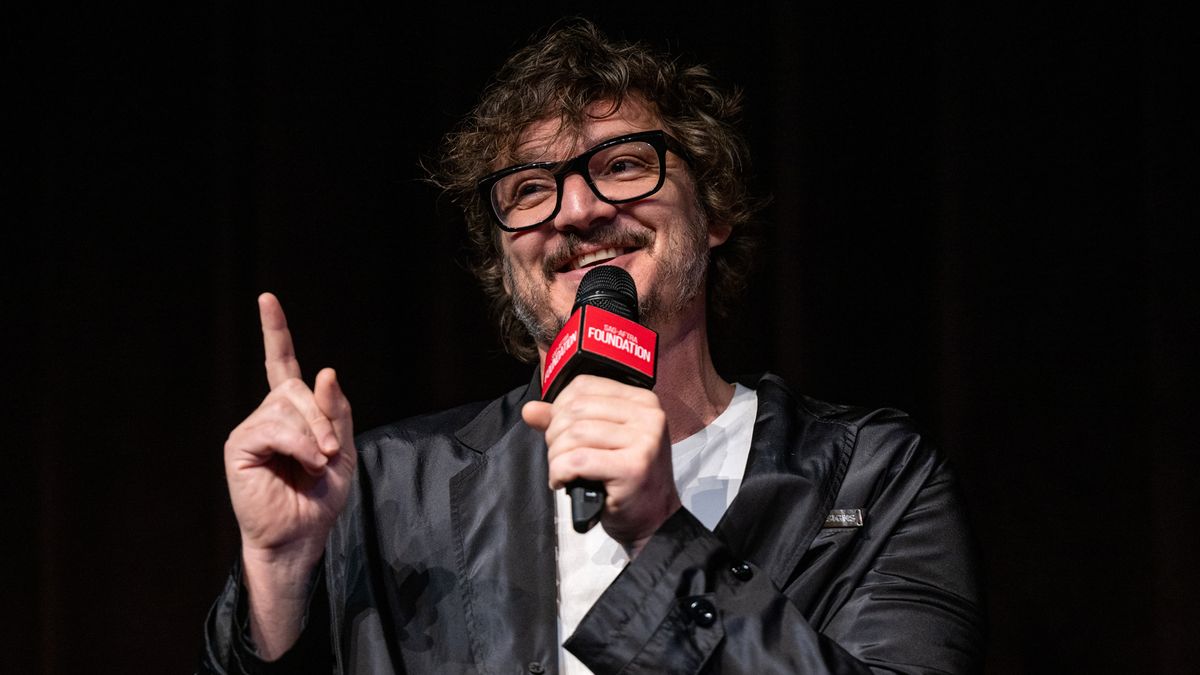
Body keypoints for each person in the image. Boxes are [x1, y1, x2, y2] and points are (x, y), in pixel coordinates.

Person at [200, 20, 983, 675]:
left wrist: (661, 534)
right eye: (531, 190)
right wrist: (277, 578)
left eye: (622, 164)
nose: (575, 209)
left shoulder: (874, 478)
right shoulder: (386, 489)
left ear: (714, 212)